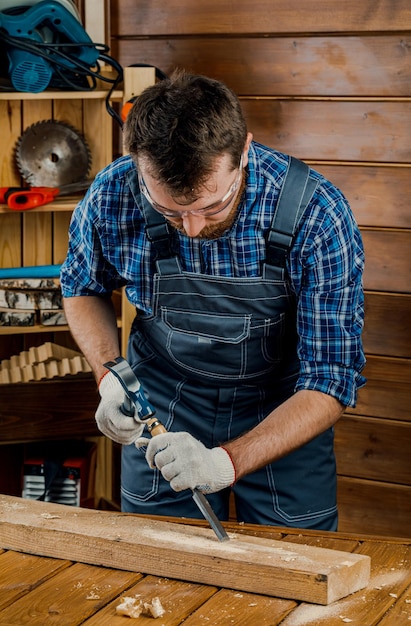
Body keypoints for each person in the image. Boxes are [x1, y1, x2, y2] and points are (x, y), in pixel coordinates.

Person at [60, 69, 366, 531]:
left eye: (211, 206)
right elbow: (83, 286)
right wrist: (110, 377)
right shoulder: (111, 194)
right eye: (169, 211)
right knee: (163, 568)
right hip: (161, 403)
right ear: (136, 162)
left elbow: (331, 377)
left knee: (296, 564)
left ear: (243, 151)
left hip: (282, 406)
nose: (192, 229)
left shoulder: (316, 213)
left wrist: (224, 463)